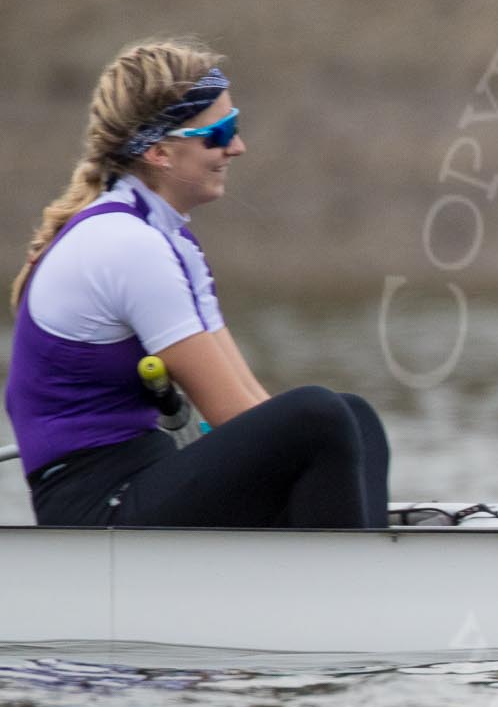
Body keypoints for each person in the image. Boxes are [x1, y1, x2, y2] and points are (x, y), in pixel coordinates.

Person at [5, 38, 390, 528]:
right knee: (321, 417)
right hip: (93, 508)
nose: (237, 146)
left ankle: (358, 571)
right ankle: (343, 586)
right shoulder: (125, 245)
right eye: (221, 131)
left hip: (144, 474)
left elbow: (251, 403)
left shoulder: (168, 239)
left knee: (351, 418)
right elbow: (232, 414)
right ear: (162, 152)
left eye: (237, 125)